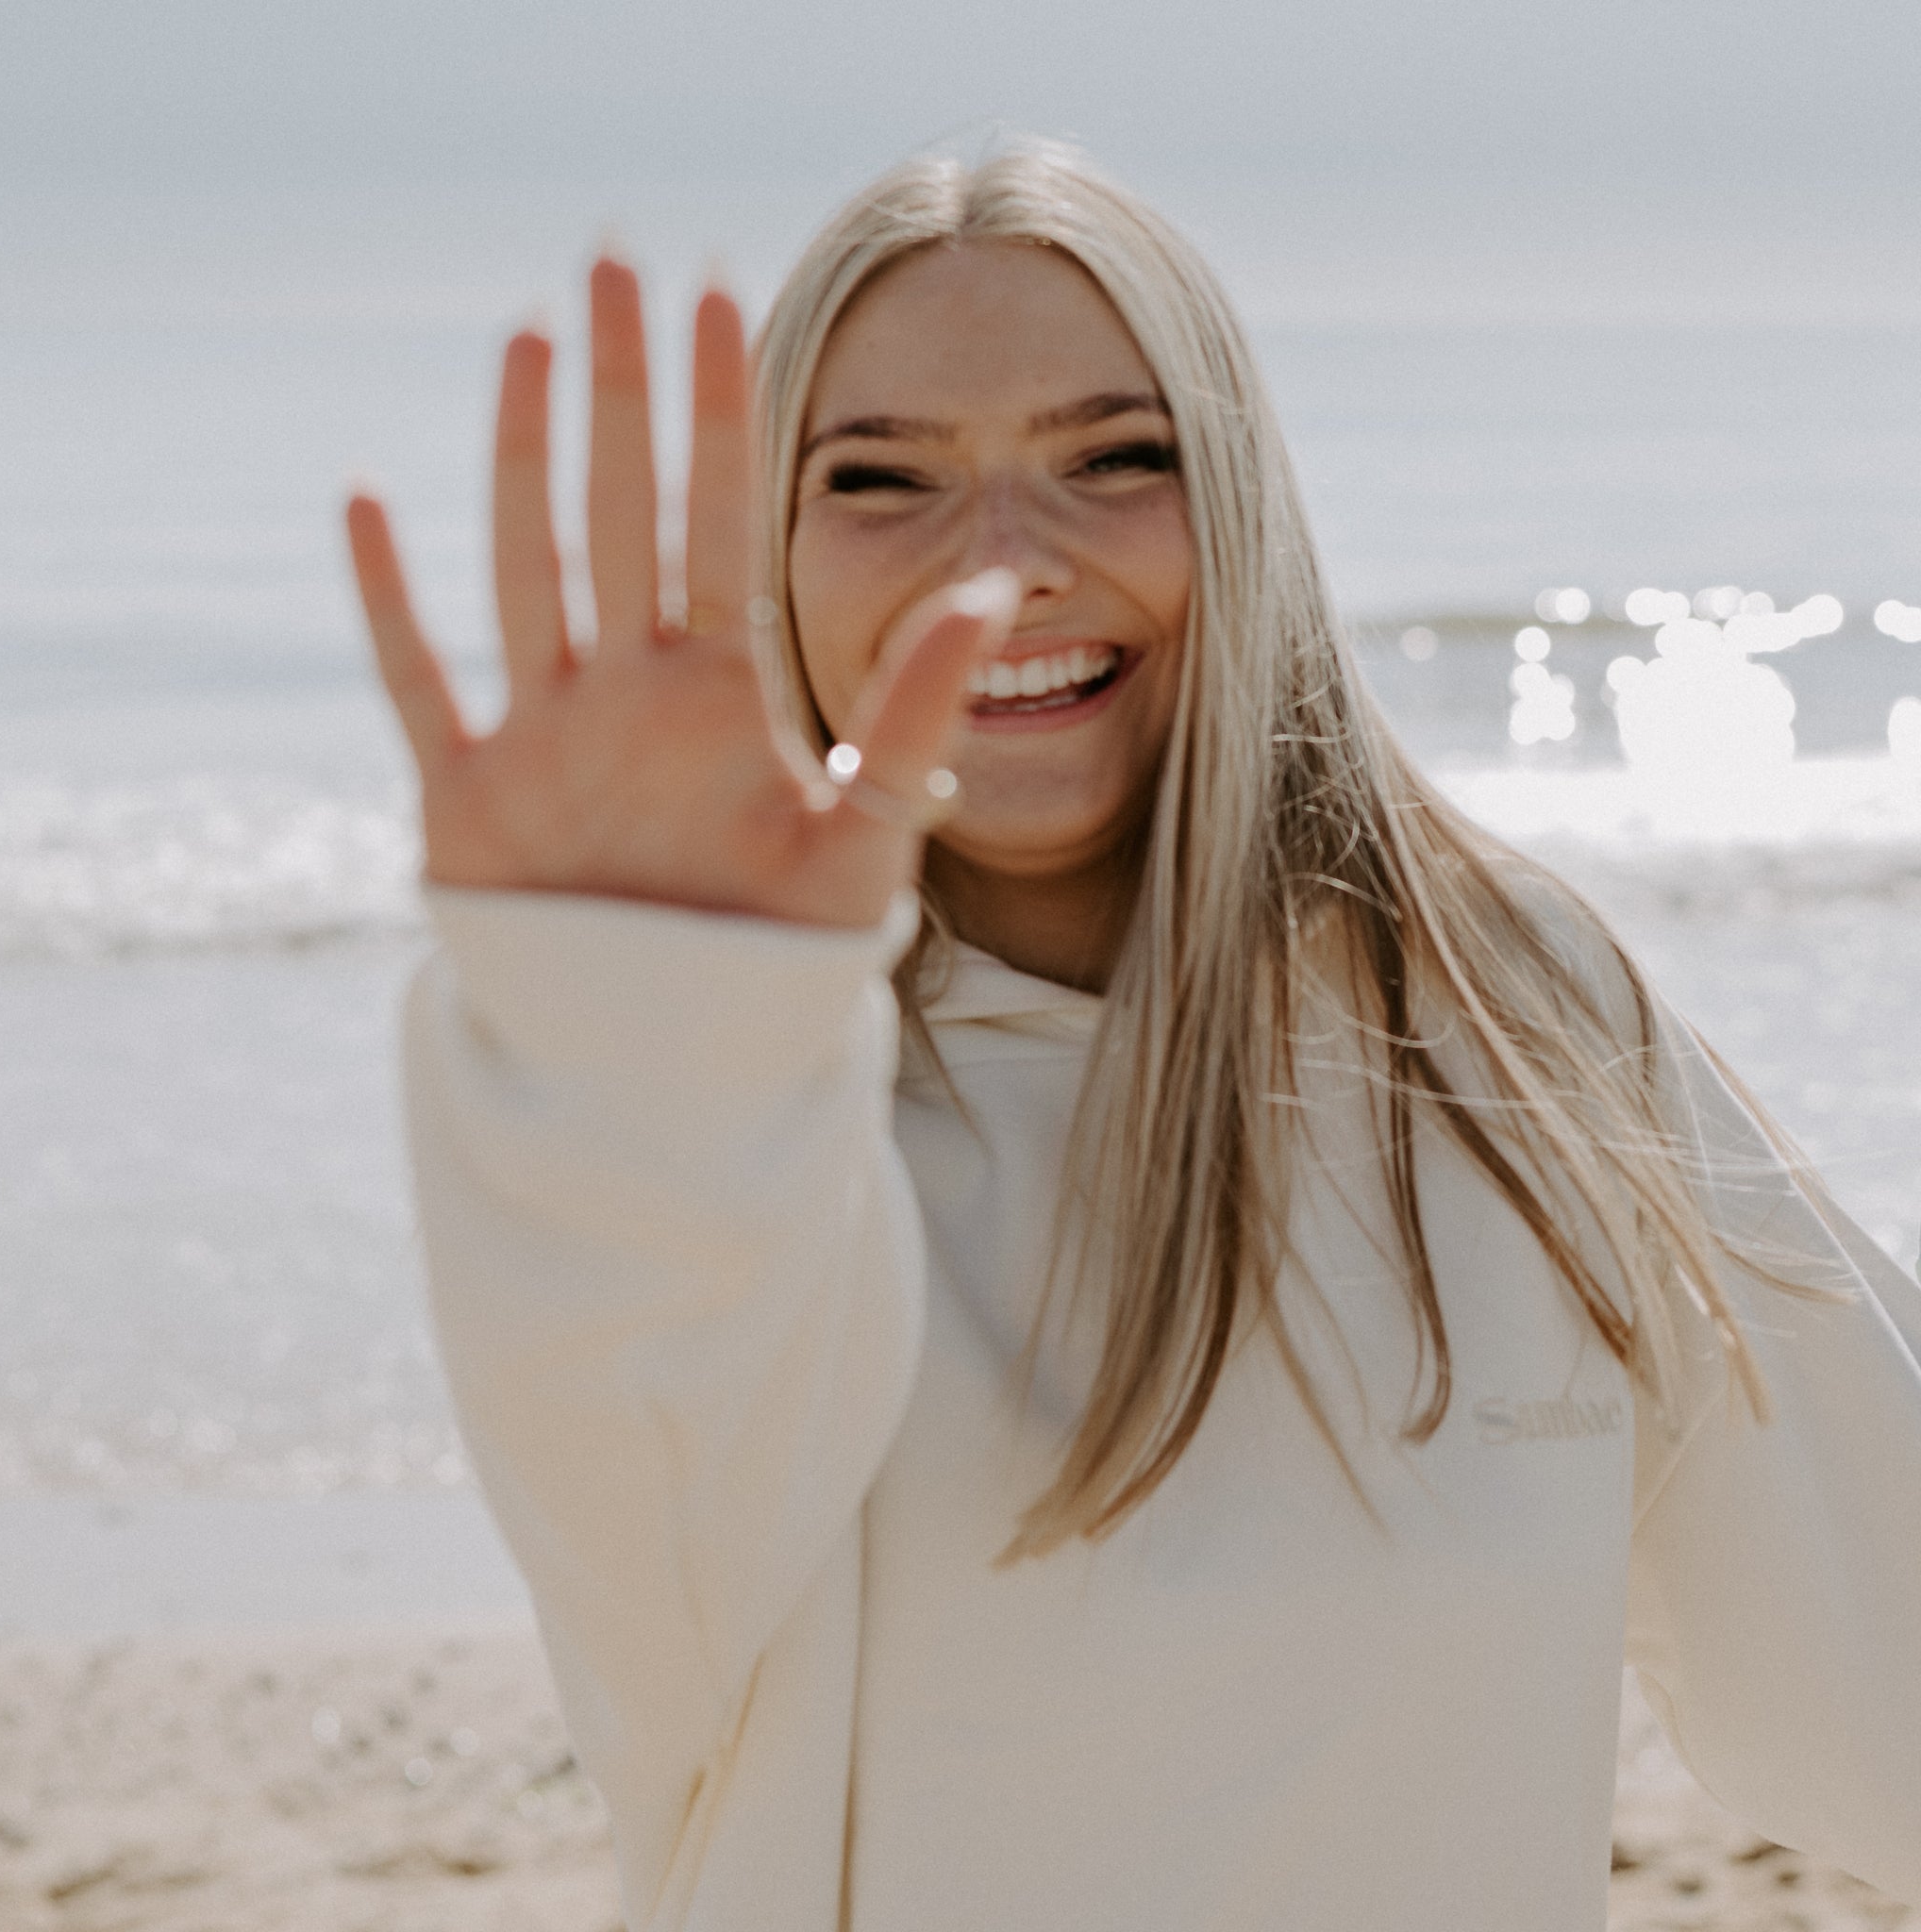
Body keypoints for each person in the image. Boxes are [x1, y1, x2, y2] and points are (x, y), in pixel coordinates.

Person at [344, 141, 1921, 1930]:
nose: (1004, 567)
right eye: (879, 480)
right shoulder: (750, 1122)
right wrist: (651, 996)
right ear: (771, 558)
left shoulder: (1509, 1018)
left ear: (1239, 498)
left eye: (1117, 457)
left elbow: (1889, 1604)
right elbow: (634, 1467)